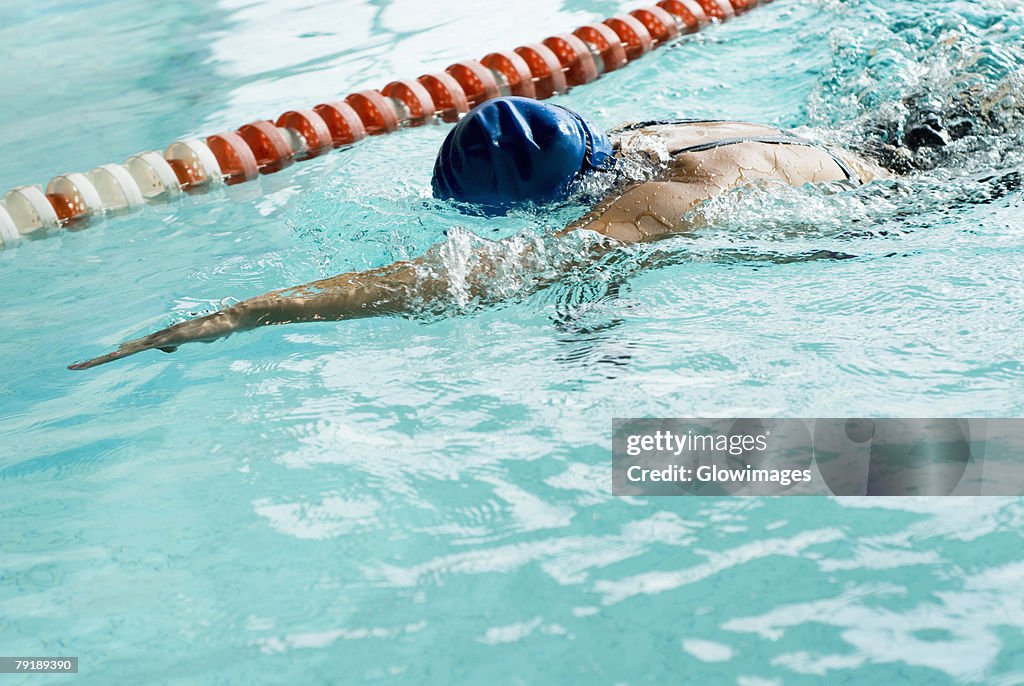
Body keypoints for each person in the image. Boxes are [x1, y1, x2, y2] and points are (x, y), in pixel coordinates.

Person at [68, 96, 890, 370]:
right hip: (882, 145)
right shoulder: (648, 137)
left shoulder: (668, 201)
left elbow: (461, 281)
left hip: (927, 205)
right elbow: (602, 248)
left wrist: (242, 313)